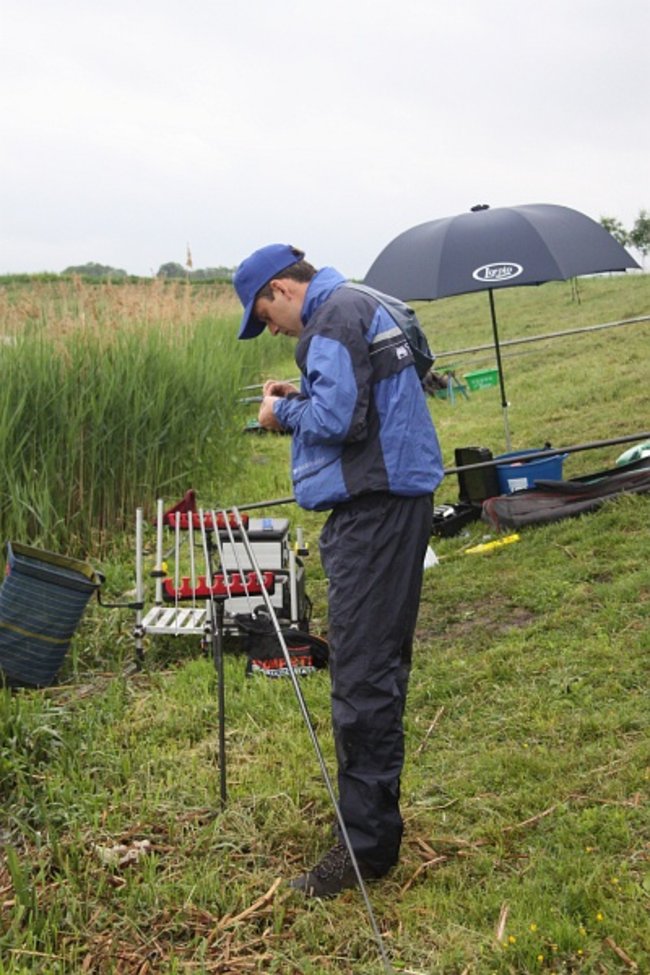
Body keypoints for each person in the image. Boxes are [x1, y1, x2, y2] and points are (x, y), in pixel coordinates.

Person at [234, 243, 444, 897]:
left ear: (281, 289)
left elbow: (338, 421)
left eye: (264, 313)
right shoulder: (365, 301)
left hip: (373, 511)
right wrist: (311, 392)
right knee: (377, 667)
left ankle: (363, 852)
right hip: (398, 502)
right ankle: (372, 828)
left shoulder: (331, 318)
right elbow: (372, 395)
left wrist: (280, 413)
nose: (270, 327)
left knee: (360, 680)